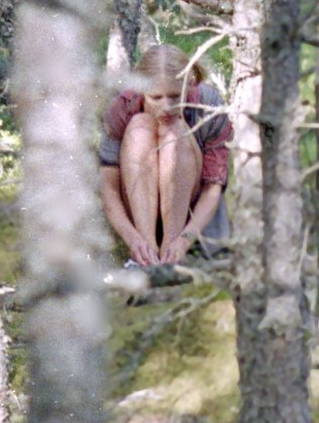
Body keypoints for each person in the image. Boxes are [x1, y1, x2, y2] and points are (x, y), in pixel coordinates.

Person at [97, 42, 231, 267]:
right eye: (156, 97)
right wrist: (133, 239)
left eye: (175, 96)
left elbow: (213, 187)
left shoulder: (209, 103)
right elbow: (108, 187)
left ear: (190, 84)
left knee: (174, 129)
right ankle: (146, 256)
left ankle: (170, 252)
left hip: (190, 210)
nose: (167, 106)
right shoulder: (122, 107)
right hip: (137, 209)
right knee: (140, 125)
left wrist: (184, 240)